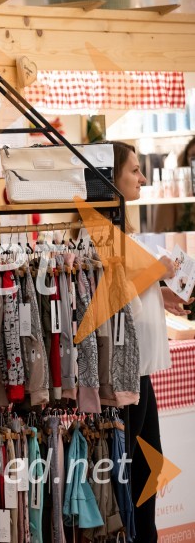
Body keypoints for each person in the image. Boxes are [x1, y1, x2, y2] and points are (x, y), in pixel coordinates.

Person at [113, 140, 191, 542]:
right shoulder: (102, 232)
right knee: (135, 466)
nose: (141, 177)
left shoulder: (121, 228)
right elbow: (106, 298)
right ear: (112, 177)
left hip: (140, 370)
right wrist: (156, 272)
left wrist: (161, 293)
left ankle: (147, 536)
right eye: (134, 170)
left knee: (148, 465)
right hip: (126, 372)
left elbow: (129, 295)